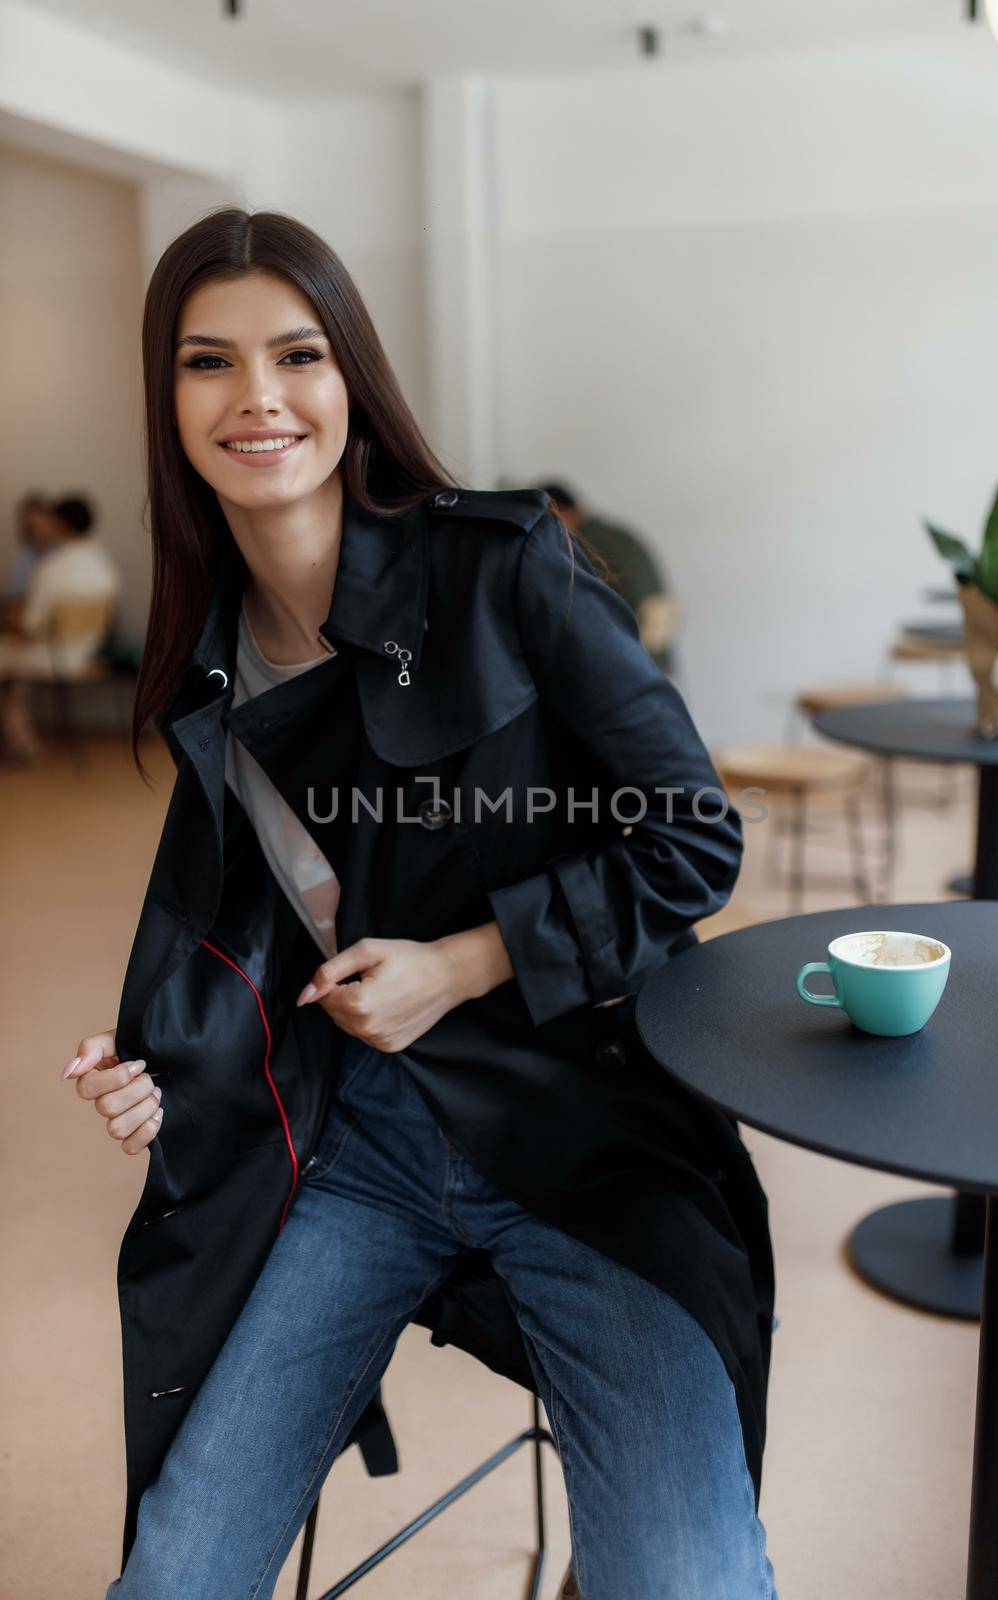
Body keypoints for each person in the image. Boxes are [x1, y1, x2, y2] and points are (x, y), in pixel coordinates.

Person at [60, 208, 776, 1600]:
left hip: (592, 1132)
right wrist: (152, 1063)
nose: (256, 398)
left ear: (352, 381)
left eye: (297, 354)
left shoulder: (503, 567)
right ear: (167, 396)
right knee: (174, 1577)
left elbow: (693, 836)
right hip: (363, 1150)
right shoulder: (205, 664)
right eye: (208, 363)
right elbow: (254, 935)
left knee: (683, 1581)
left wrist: (460, 961)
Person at [0, 494, 119, 763]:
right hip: (88, 653)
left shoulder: (52, 568)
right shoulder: (104, 564)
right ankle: (18, 738)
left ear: (60, 523)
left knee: (6, 659)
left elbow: (31, 623)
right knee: (14, 676)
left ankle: (22, 744)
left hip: (56, 656)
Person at [536, 481, 681, 675]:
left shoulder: (584, 543)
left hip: (630, 665)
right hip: (655, 662)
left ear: (557, 513)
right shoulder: (616, 535)